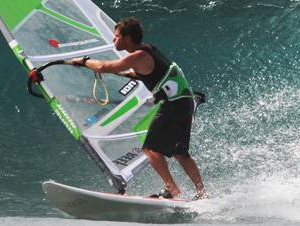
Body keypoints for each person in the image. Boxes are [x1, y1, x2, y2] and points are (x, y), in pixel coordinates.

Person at [66, 17, 207, 200]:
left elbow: (102, 67)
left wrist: (84, 61)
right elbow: (148, 71)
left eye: (116, 36)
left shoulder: (138, 56)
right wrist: (127, 73)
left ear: (127, 38)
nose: (113, 40)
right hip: (184, 102)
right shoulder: (148, 50)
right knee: (180, 153)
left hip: (172, 105)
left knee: (150, 149)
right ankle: (201, 192)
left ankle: (172, 191)